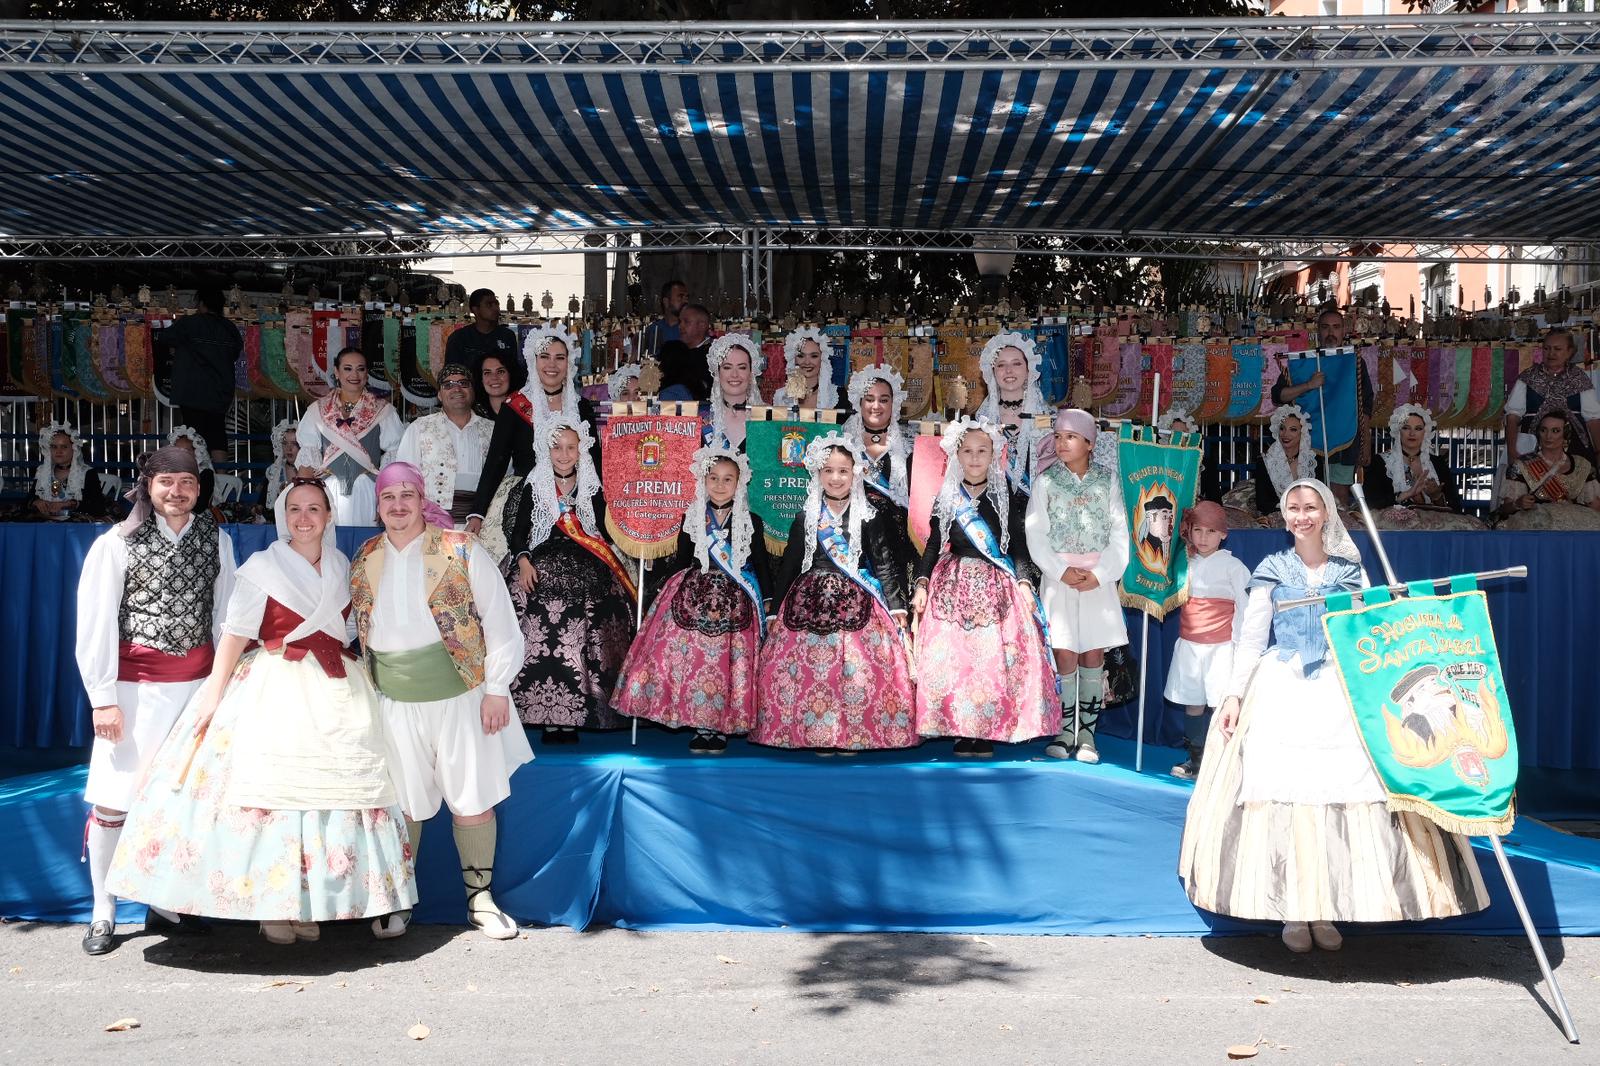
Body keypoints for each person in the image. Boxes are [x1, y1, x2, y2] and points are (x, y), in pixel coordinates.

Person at [1178, 478, 1488, 953]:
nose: (1301, 516)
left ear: (1325, 514)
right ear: (1284, 516)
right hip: (1282, 689)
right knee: (1288, 802)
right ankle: (1295, 913)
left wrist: (1397, 609)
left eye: (1310, 507)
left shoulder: (1350, 571)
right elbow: (1252, 638)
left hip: (1337, 691)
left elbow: (1372, 634)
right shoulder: (1270, 570)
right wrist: (1235, 695)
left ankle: (1326, 909)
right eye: (1293, 508)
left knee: (1338, 803)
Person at [106, 479, 415, 944]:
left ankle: (311, 901)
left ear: (330, 515)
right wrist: (213, 692)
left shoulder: (342, 566)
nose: (305, 518)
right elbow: (235, 632)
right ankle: (273, 904)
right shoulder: (262, 567)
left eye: (314, 508)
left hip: (334, 684)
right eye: (295, 509)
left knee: (330, 789)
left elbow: (350, 628)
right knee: (273, 789)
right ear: (282, 515)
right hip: (276, 680)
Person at [351, 462, 533, 940]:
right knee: (404, 804)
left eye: (407, 495)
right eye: (389, 498)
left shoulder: (461, 549)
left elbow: (501, 625)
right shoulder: (365, 556)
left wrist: (496, 689)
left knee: (471, 798)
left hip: (462, 695)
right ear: (378, 506)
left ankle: (481, 900)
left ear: (421, 498)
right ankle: (400, 899)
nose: (398, 505)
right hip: (394, 700)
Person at [74, 445, 237, 955]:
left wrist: (220, 689)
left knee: (178, 799)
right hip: (133, 691)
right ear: (147, 485)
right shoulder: (116, 544)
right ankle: (104, 908)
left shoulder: (219, 540)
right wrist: (103, 698)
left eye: (186, 482)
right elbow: (95, 624)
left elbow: (225, 618)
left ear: (197, 488)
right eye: (166, 481)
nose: (177, 491)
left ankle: (165, 902)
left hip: (195, 693)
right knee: (114, 800)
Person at [752, 433, 917, 753]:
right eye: (828, 470)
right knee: (813, 666)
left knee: (856, 665)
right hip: (809, 596)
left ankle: (852, 732)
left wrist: (897, 607)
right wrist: (774, 610)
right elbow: (789, 563)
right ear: (817, 474)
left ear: (855, 472)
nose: (836, 477)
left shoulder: (869, 515)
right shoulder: (806, 515)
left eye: (843, 470)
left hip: (857, 597)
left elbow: (883, 564)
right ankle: (816, 733)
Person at [613, 446, 773, 754]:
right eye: (713, 478)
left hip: (736, 598)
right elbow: (682, 560)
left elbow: (762, 563)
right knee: (696, 660)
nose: (720, 485)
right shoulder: (693, 515)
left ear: (740, 483)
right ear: (704, 480)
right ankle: (700, 724)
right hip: (695, 595)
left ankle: (721, 725)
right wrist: (661, 584)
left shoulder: (750, 518)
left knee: (728, 664)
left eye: (728, 479)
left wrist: (767, 599)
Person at [912, 419, 1056, 757]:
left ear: (994, 454)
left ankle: (986, 731)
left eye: (982, 451)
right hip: (953, 582)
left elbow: (1018, 545)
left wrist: (1023, 581)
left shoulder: (1005, 495)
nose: (975, 458)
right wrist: (921, 582)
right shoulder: (946, 496)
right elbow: (934, 544)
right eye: (968, 451)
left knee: (990, 662)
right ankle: (961, 729)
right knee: (956, 661)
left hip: (996, 586)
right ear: (956, 456)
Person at [505, 416, 637, 743]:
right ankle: (544, 714)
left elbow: (606, 531)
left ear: (582, 450)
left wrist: (636, 539)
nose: (564, 454)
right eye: (557, 448)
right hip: (539, 559)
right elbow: (519, 532)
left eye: (570, 448)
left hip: (588, 561)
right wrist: (522, 561)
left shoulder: (593, 486)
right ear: (546, 450)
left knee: (597, 609)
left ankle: (581, 711)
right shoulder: (535, 485)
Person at [1024, 408, 1128, 764]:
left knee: (1093, 653)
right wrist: (1060, 570)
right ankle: (1064, 731)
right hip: (1060, 580)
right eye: (1057, 436)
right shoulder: (1045, 482)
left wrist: (1100, 574)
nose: (1061, 442)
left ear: (1089, 442)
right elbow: (1035, 534)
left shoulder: (1107, 480)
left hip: (1097, 579)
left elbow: (1119, 533)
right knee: (1064, 651)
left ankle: (1087, 735)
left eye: (1070, 436)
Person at [466, 326, 600, 535]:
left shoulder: (581, 406)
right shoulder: (514, 406)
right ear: (533, 361)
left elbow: (595, 459)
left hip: (576, 496)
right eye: (544, 356)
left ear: (569, 363)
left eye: (559, 358)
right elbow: (496, 461)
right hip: (527, 498)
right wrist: (478, 512)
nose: (552, 365)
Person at [1162, 500, 1250, 780]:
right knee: (1193, 702)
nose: (1203, 538)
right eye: (1197, 530)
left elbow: (1246, 608)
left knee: (1219, 701)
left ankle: (1221, 759)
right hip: (1190, 645)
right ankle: (1196, 758)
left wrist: (1238, 645)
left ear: (1223, 534)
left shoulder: (1234, 566)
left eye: (1211, 531)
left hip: (1221, 647)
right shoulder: (1183, 563)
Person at [1272, 306, 1372, 505]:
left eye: (1336, 327)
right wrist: (1308, 385)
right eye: (1325, 327)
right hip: (1309, 442)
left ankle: (1337, 535)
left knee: (1339, 497)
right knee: (1310, 497)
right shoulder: (1304, 362)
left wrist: (1366, 443)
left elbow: (1365, 406)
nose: (1331, 332)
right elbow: (1279, 396)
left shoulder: (1355, 362)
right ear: (1318, 331)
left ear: (1344, 331)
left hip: (1346, 439)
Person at [295, 347, 404, 526]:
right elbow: (307, 461)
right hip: (327, 491)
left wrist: (390, 501)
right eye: (347, 368)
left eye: (360, 369)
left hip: (367, 490)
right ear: (336, 372)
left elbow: (395, 458)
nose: (355, 374)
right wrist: (304, 502)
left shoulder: (383, 410)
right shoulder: (318, 409)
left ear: (367, 374)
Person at [842, 364, 915, 591]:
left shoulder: (910, 444)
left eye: (884, 399)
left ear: (894, 404)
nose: (876, 406)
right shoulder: (843, 442)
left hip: (897, 545)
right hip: (854, 539)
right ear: (859, 403)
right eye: (869, 399)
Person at [395, 363, 494, 527]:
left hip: (483, 524)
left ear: (473, 391)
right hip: (432, 523)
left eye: (464, 383)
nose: (457, 389)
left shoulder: (493, 430)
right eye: (448, 385)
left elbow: (506, 479)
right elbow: (404, 478)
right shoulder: (419, 428)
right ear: (439, 395)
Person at [164, 286, 241, 465]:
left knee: (192, 434)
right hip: (220, 391)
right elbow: (236, 353)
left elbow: (165, 338)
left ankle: (196, 475)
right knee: (217, 433)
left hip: (191, 390)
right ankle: (221, 479)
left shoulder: (189, 323)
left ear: (202, 303)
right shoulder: (229, 328)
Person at [1504, 327, 1600, 464]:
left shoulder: (1579, 378)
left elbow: (1593, 420)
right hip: (1532, 449)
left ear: (1570, 352)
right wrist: (1512, 450)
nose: (1551, 353)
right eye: (1547, 348)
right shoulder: (1528, 377)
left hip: (1575, 450)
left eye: (1557, 349)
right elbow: (1512, 417)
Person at [1497, 411, 1600, 530]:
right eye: (1543, 430)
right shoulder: (1522, 465)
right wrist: (1517, 504)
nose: (1548, 436)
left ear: (1566, 435)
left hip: (1574, 526)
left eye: (1555, 431)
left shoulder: (1582, 465)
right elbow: (1505, 509)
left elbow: (1595, 506)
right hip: (1536, 527)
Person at [977, 331, 1047, 494]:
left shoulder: (1045, 417)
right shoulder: (983, 420)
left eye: (1016, 364)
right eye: (1001, 365)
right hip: (997, 509)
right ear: (992, 371)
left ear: (1029, 369)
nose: (1008, 370)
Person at [23, 421, 111, 522]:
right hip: (47, 519)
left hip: (74, 523)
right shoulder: (43, 472)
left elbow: (97, 507)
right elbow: (27, 502)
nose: (58, 451)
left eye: (64, 447)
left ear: (74, 449)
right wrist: (36, 502)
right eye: (54, 447)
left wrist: (69, 504)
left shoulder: (86, 473)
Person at [1249, 404, 1322, 520]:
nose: (1285, 434)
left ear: (1302, 433)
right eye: (1282, 428)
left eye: (1293, 430)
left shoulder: (1313, 461)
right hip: (1277, 517)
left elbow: (1319, 498)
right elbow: (1262, 504)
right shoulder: (1265, 462)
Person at [445, 288, 522, 385]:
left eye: (496, 304)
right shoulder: (459, 337)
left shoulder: (507, 336)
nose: (495, 308)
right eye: (489, 304)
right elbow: (452, 374)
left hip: (499, 391)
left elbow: (513, 371)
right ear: (475, 310)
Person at [704, 334, 764, 450]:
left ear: (751, 373)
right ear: (718, 373)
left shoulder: (768, 416)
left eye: (742, 367)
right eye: (727, 367)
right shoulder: (704, 418)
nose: (735, 375)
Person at [771, 327, 839, 410]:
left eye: (814, 356)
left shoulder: (835, 396)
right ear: (793, 359)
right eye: (801, 356)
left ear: (823, 359)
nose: (807, 362)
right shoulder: (781, 397)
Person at [657, 304, 714, 402]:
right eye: (680, 322)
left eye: (686, 322)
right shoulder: (673, 353)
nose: (680, 326)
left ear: (702, 325)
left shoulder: (714, 354)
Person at [168, 425, 217, 512]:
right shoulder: (168, 472)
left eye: (186, 450)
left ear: (196, 452)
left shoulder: (205, 474)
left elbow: (200, 507)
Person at [642, 279, 687, 356]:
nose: (685, 301)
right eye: (680, 297)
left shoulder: (691, 330)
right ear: (666, 302)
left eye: (686, 297)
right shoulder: (652, 330)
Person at [262, 418, 299, 510]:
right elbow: (264, 505)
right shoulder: (274, 472)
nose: (289, 448)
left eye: (294, 443)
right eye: (285, 443)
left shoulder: (311, 471)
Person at [472, 352, 522, 421]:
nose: (494, 378)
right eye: (487, 373)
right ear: (481, 379)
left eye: (500, 371)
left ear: (510, 375)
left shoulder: (526, 410)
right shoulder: (474, 415)